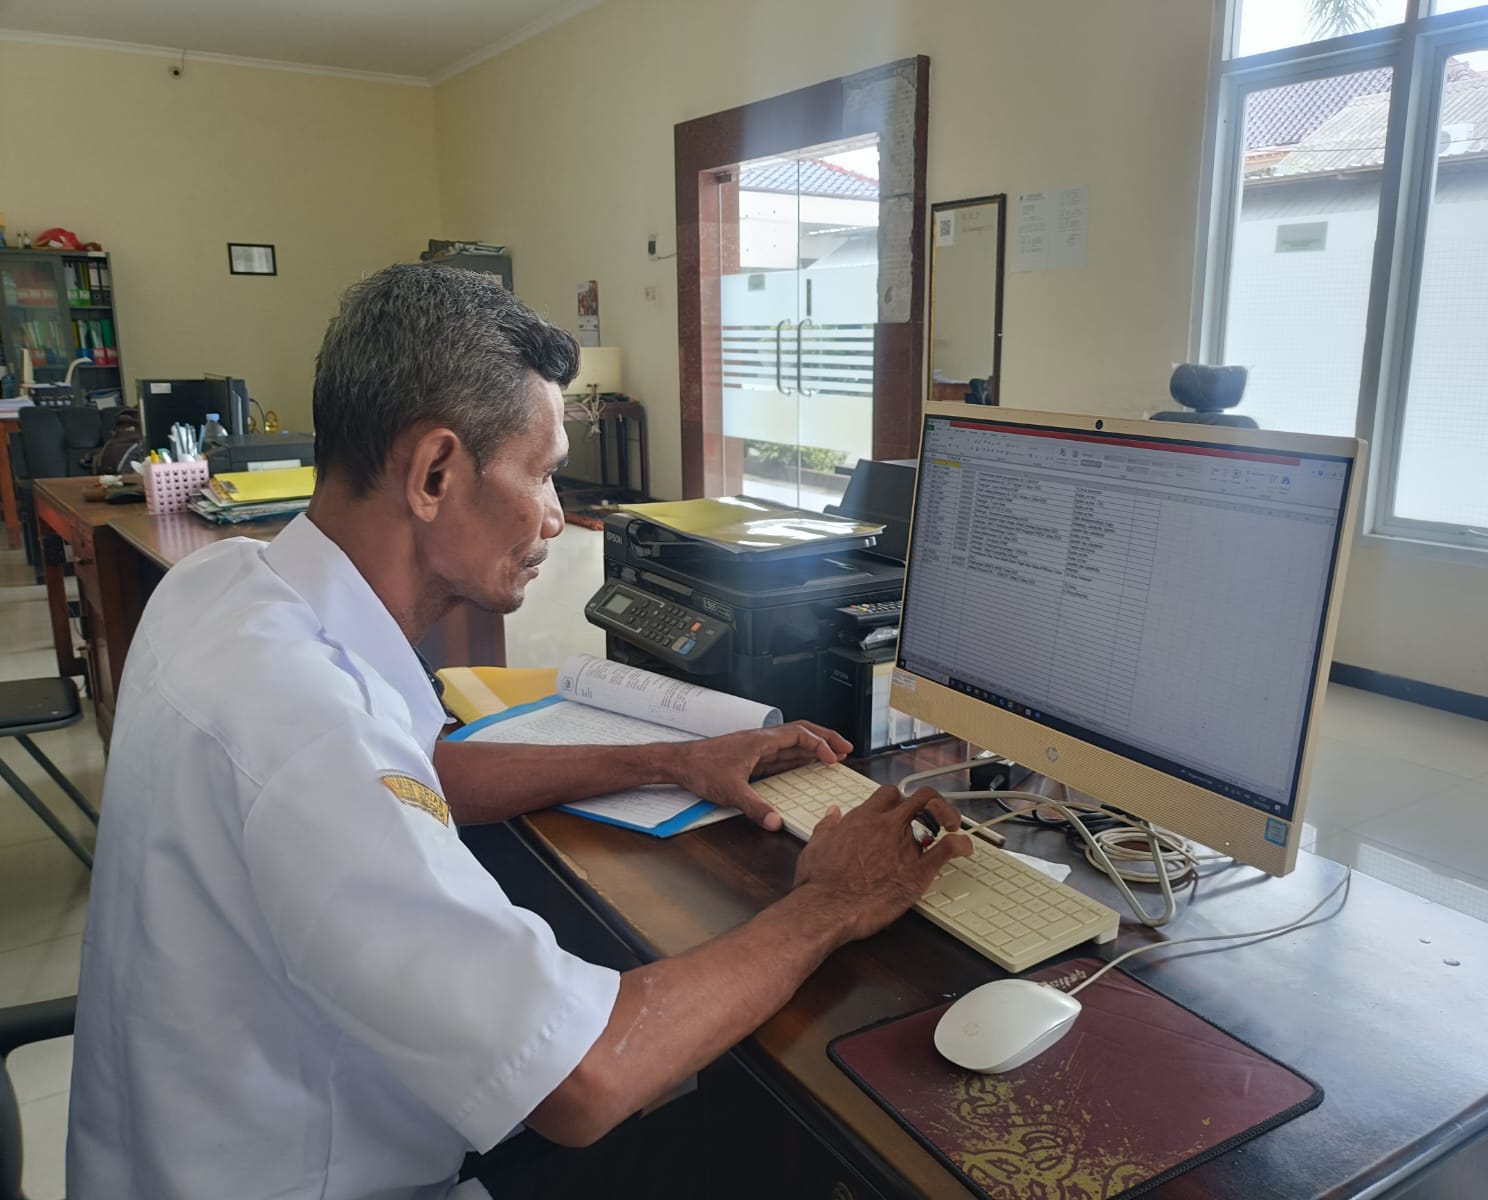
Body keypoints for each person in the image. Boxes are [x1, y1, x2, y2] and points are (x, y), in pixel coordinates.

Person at [66, 264, 970, 1200]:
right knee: (767, 1137)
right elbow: (586, 1080)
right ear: (434, 474)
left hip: (173, 1157)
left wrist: (671, 759)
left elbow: (420, 772)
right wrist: (831, 901)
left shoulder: (220, 587)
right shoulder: (312, 735)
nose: (555, 514)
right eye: (540, 472)